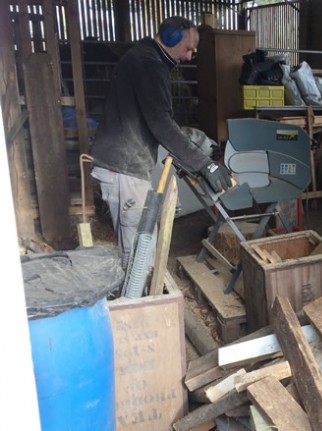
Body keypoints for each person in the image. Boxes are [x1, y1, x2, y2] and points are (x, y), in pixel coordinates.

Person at [91, 16, 231, 268]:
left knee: (140, 241)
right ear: (170, 38)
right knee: (139, 248)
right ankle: (140, 303)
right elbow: (161, 123)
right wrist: (205, 164)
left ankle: (141, 297)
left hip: (124, 162)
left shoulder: (144, 57)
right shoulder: (148, 65)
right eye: (188, 49)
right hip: (125, 166)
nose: (189, 57)